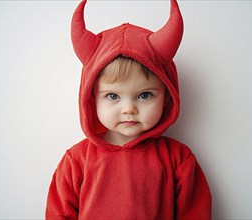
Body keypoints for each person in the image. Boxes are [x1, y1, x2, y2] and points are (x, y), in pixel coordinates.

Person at [46, 0, 212, 219]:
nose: (129, 109)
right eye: (113, 96)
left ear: (167, 97)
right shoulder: (77, 161)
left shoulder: (178, 159)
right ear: (91, 99)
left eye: (145, 95)